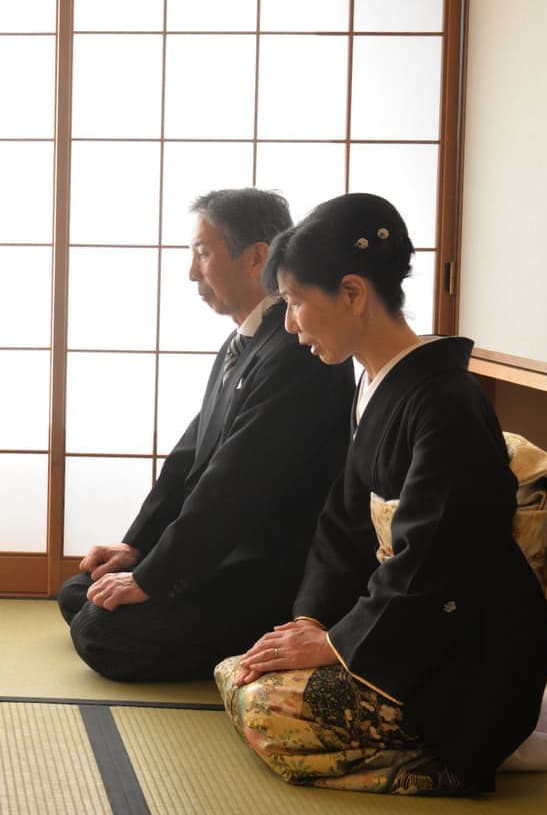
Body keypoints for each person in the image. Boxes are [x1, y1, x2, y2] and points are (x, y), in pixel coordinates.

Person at [217, 192, 547, 795]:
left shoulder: (446, 402)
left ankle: (468, 751)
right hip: (402, 627)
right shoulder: (376, 384)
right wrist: (310, 619)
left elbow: (436, 562)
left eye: (297, 302)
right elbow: (344, 524)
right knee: (239, 671)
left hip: (458, 656)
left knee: (266, 711)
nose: (291, 324)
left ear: (353, 294)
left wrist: (334, 642)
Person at [58, 189, 354, 681]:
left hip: (267, 566)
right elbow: (190, 459)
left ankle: (261, 638)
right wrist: (137, 549)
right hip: (222, 550)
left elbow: (234, 486)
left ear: (258, 256)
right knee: (83, 589)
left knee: (100, 632)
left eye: (203, 252)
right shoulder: (245, 342)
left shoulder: (299, 352)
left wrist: (155, 577)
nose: (192, 272)